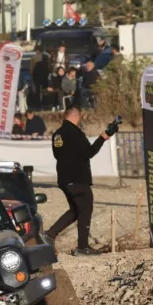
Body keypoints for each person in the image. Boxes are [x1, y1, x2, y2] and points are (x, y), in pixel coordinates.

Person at [44, 107, 116, 256]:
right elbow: (89, 152)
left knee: (75, 210)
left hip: (64, 179)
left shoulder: (57, 134)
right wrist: (103, 137)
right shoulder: (76, 133)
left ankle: (49, 235)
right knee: (85, 208)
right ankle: (83, 247)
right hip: (78, 178)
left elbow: (59, 155)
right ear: (76, 116)